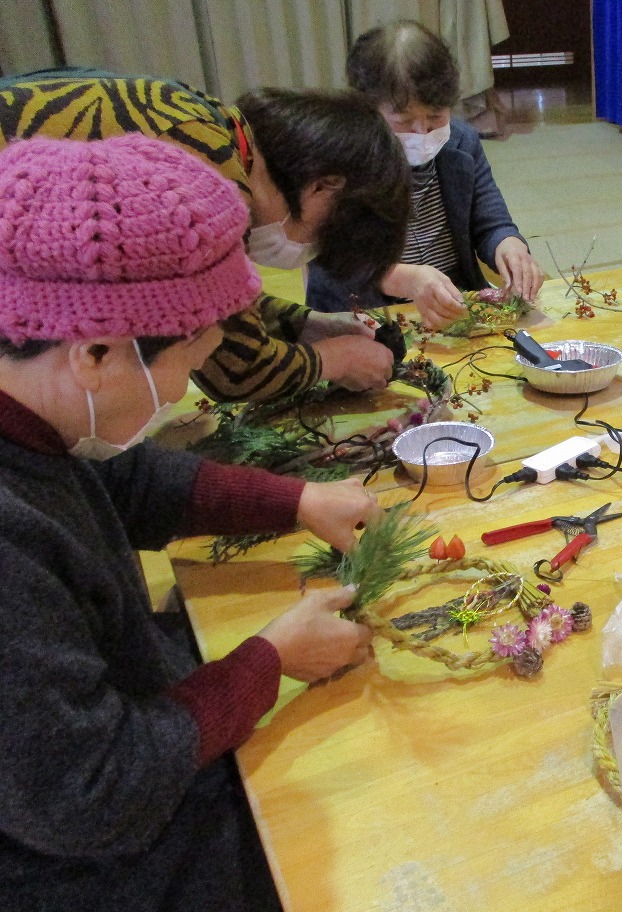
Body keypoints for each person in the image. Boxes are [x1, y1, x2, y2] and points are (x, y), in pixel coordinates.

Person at [0, 134, 381, 911]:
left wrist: (296, 501)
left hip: (103, 748)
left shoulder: (37, 414)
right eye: (186, 361)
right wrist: (268, 662)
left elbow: (127, 481)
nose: (183, 393)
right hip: (78, 860)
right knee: (357, 820)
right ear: (95, 353)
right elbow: (91, 793)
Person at [0, 67, 411, 401]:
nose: (312, 249)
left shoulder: (208, 124)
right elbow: (233, 368)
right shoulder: (208, 177)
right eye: (324, 239)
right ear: (323, 187)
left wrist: (305, 324)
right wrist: (334, 360)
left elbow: (212, 304)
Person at [305, 20, 544, 330]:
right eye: (403, 122)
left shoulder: (460, 141)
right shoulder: (337, 160)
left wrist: (509, 246)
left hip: (454, 305)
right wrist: (404, 278)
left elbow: (491, 222)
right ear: (365, 108)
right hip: (364, 314)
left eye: (435, 117)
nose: (422, 132)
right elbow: (329, 260)